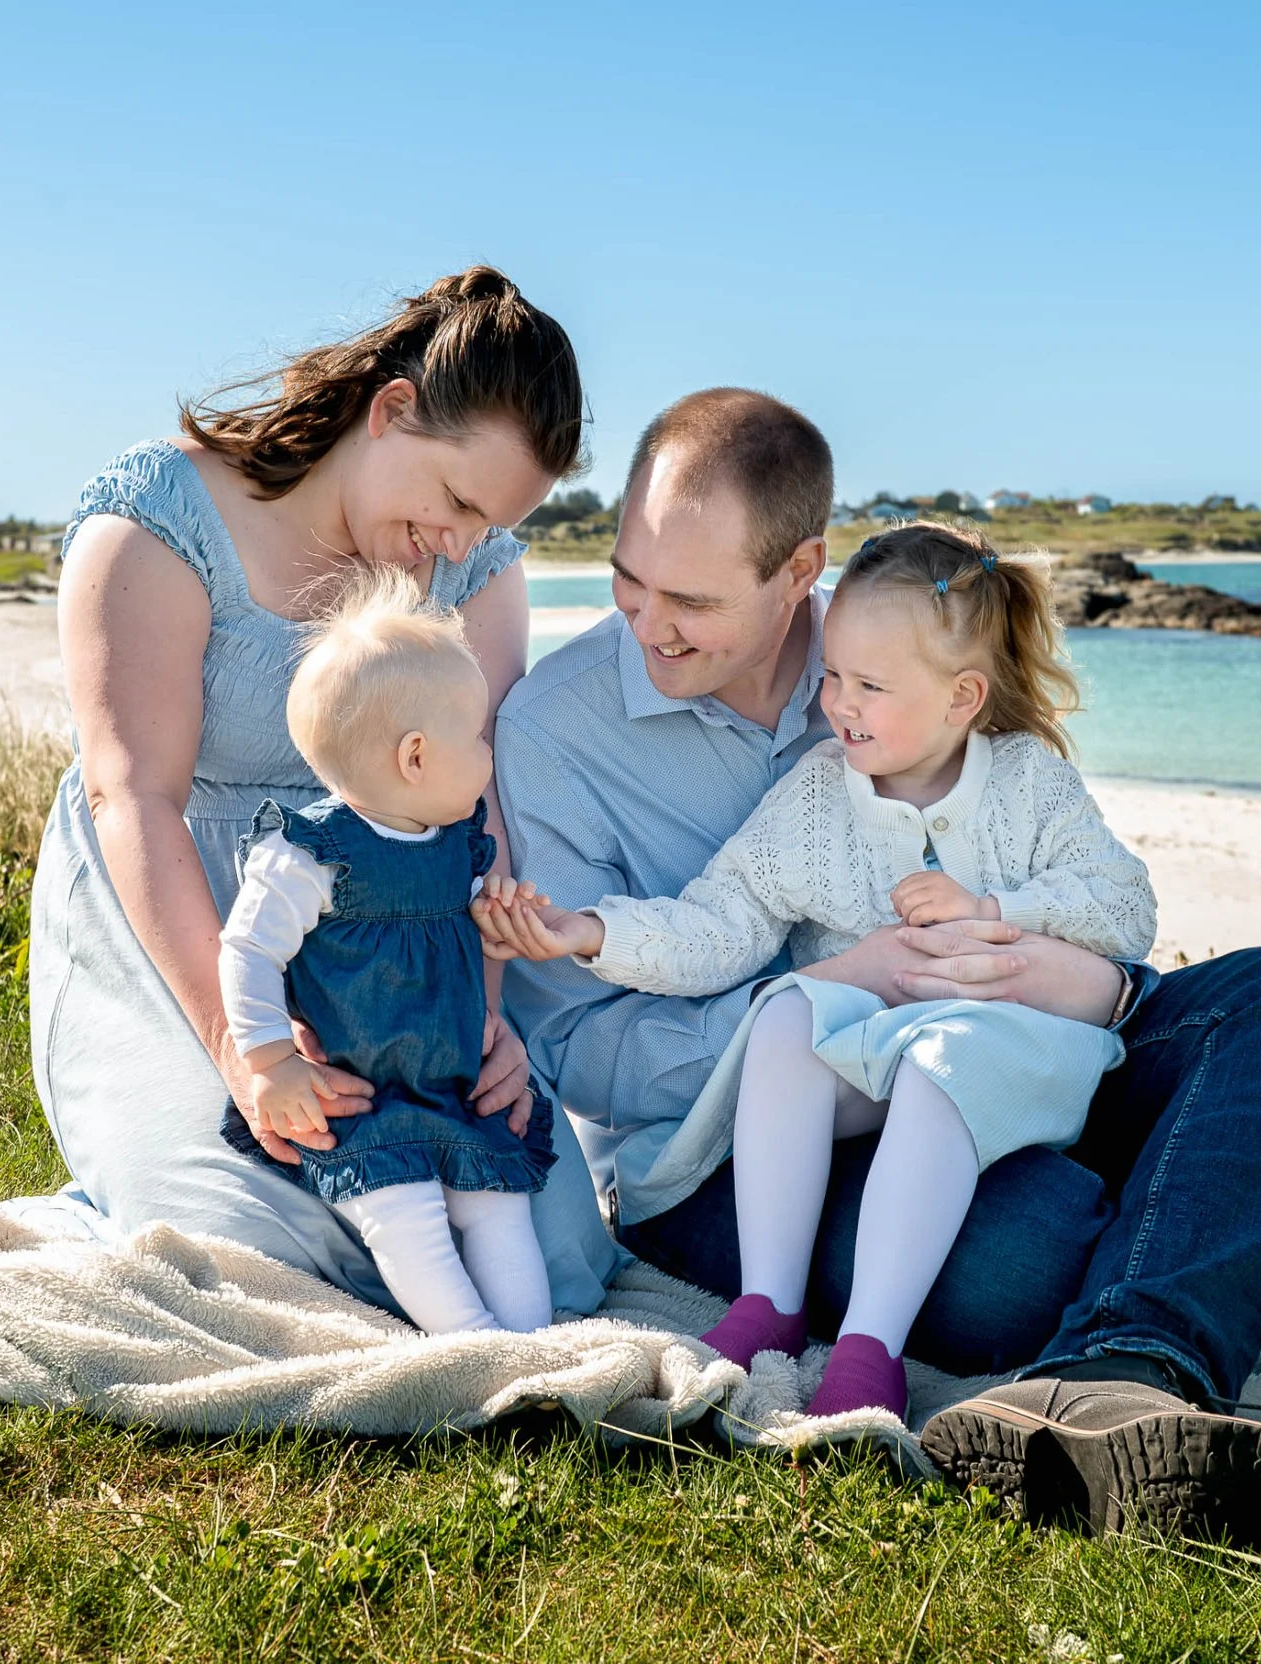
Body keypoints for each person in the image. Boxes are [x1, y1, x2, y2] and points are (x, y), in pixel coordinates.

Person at [495, 388, 1261, 1540]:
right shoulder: (555, 734)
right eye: (626, 578)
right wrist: (849, 983)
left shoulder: (898, 651)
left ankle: (1127, 1369)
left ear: (799, 567)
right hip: (741, 1145)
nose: (647, 625)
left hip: (1010, 1046)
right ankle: (1215, 1203)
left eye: (692, 600)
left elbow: (1088, 897)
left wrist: (1081, 980)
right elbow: (585, 1047)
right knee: (1035, 1245)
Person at [31, 266, 622, 1326]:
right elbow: (134, 798)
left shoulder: (475, 569)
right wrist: (244, 1053)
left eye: (485, 521)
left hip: (396, 946)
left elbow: (466, 817)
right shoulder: (161, 520)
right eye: (453, 501)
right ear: (390, 411)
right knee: (241, 1243)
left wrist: (476, 1023)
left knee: (554, 1243)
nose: (458, 542)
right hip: (181, 921)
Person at [477, 522, 1152, 1417]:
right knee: (788, 1017)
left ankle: (872, 1344)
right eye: (833, 675)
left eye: (872, 686)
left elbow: (1125, 905)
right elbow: (723, 921)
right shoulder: (821, 792)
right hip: (867, 1054)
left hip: (999, 1053)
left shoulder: (1027, 783)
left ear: (961, 698)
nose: (838, 703)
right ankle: (772, 1303)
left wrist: (991, 912)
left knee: (935, 1062)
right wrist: (592, 931)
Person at [217, 565, 555, 1334]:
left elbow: (468, 937)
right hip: (359, 1095)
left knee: (499, 1206)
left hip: (454, 1085)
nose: (489, 754)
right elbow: (247, 951)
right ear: (415, 757)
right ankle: (471, 1343)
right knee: (404, 1215)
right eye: (475, 737)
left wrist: (501, 917)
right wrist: (271, 1062)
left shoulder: (454, 843)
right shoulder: (312, 854)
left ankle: (533, 1344)